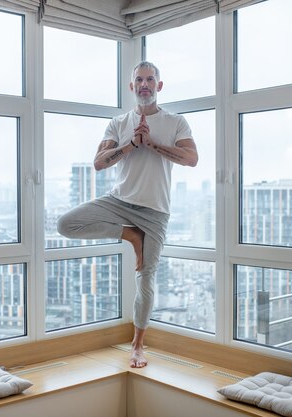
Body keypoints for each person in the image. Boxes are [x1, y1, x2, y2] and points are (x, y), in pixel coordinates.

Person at [57, 61, 198, 368]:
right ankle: (129, 234)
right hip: (119, 201)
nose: (144, 84)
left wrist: (153, 144)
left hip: (155, 211)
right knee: (66, 224)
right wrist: (132, 144)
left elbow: (191, 158)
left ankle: (137, 347)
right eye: (139, 80)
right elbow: (99, 162)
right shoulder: (119, 122)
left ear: (159, 86)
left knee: (145, 278)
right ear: (132, 87)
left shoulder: (176, 122)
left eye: (150, 80)